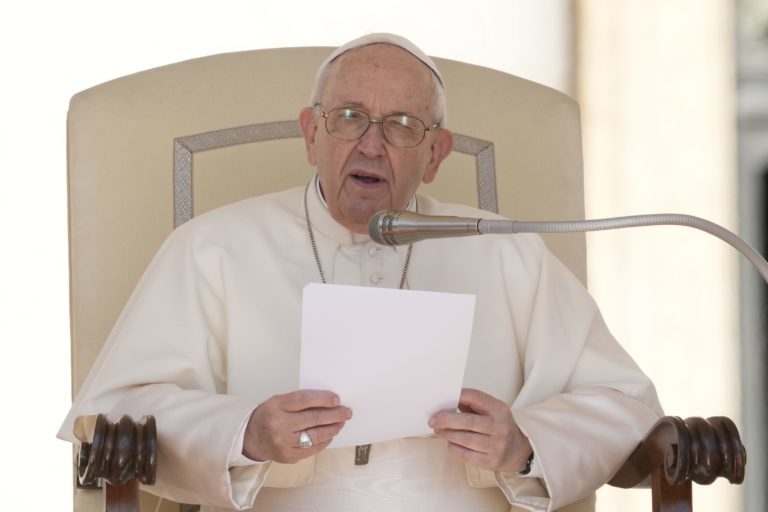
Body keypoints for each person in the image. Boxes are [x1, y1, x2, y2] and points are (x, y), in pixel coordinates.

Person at [59, 33, 663, 512]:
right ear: (310, 133)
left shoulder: (503, 248)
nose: (372, 145)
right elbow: (115, 419)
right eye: (349, 117)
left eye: (402, 126)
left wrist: (525, 444)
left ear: (435, 156)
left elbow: (624, 402)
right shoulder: (210, 247)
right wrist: (244, 432)